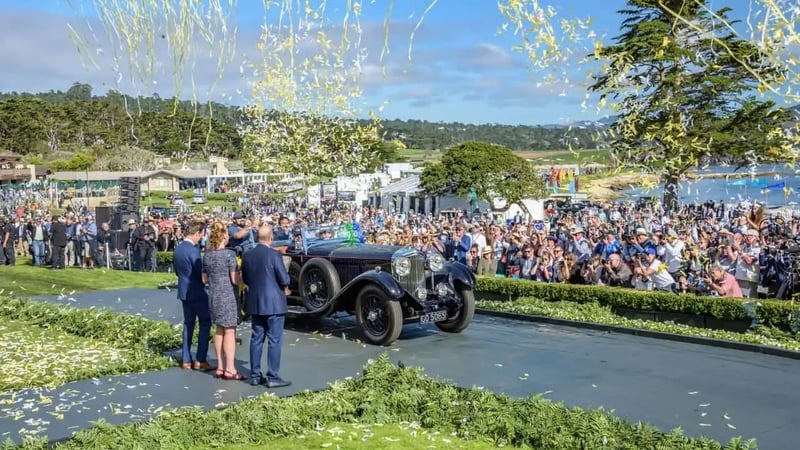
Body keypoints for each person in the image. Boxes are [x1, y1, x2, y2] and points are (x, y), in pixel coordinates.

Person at [241, 225, 291, 388]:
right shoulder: (274, 255)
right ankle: (273, 376)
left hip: (255, 302)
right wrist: (285, 285)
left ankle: (255, 375)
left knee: (256, 339)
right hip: (274, 303)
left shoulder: (247, 255)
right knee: (274, 340)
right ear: (271, 238)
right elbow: (284, 278)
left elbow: (246, 279)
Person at [202, 222, 243, 380]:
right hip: (227, 295)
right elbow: (234, 279)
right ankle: (230, 368)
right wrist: (243, 278)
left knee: (219, 329)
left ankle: (220, 366)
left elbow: (204, 279)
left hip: (213, 295)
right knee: (230, 331)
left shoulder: (207, 255)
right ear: (224, 236)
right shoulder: (229, 255)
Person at [173, 221, 214, 371]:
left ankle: (186, 359)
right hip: (197, 291)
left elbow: (177, 271)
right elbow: (200, 273)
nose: (201, 238)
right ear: (197, 233)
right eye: (201, 235)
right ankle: (200, 359)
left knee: (188, 324)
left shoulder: (178, 249)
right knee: (205, 322)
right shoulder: (193, 251)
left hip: (184, 292)